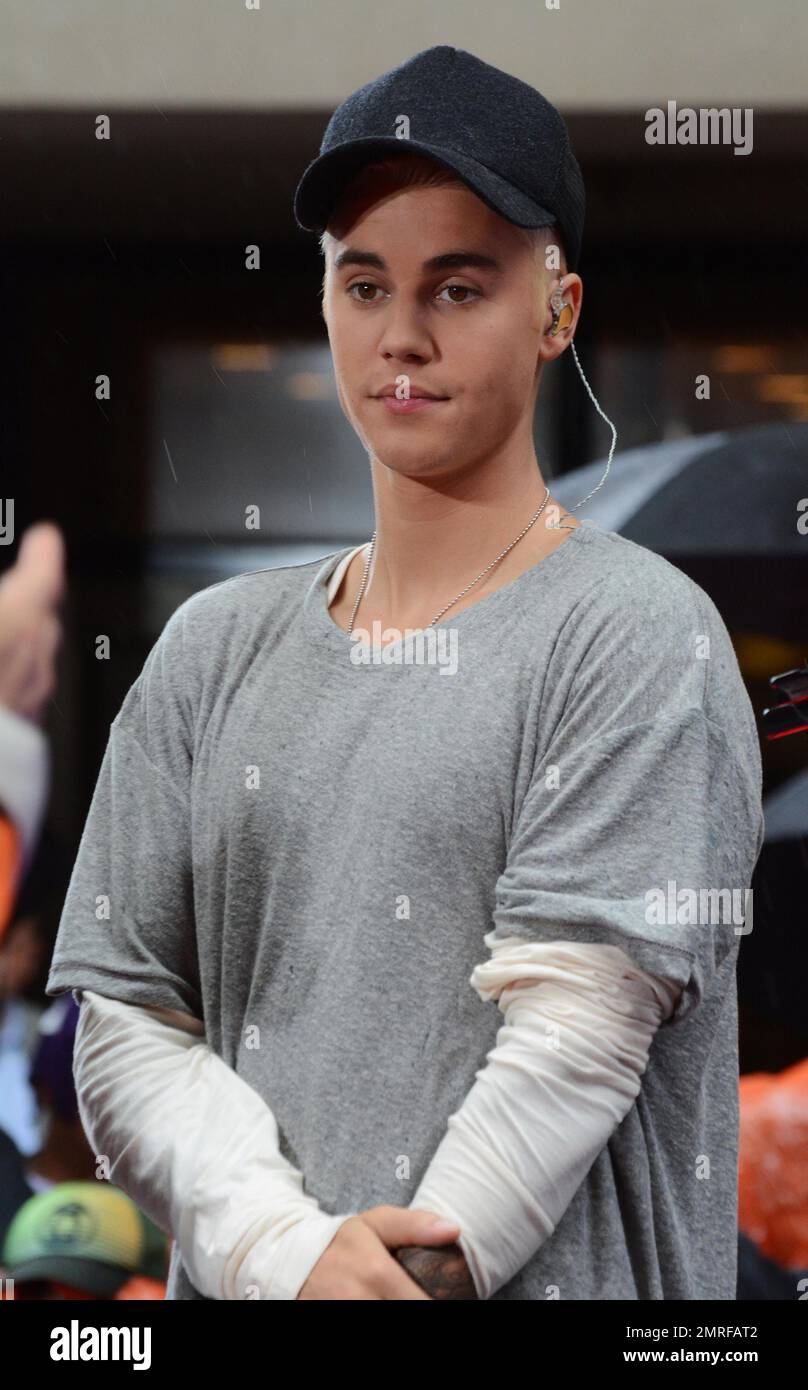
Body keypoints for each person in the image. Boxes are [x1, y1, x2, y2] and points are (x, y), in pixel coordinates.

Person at [46, 46, 764, 1300]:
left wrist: (375, 1279)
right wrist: (286, 1251)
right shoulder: (213, 649)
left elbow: (577, 1033)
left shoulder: (640, 633)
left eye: (458, 286)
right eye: (364, 282)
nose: (402, 336)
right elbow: (122, 1026)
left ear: (557, 311)